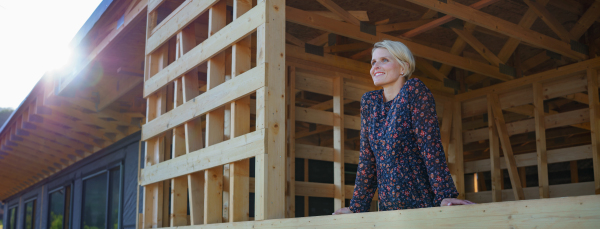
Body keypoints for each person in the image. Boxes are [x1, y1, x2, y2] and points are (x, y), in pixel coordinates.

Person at [333, 40, 474, 215]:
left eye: (384, 60)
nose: (375, 66)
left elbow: (430, 147)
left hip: (421, 205)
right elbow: (367, 162)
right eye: (373, 62)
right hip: (388, 211)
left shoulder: (414, 91)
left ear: (403, 68)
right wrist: (356, 208)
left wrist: (445, 195)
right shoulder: (369, 103)